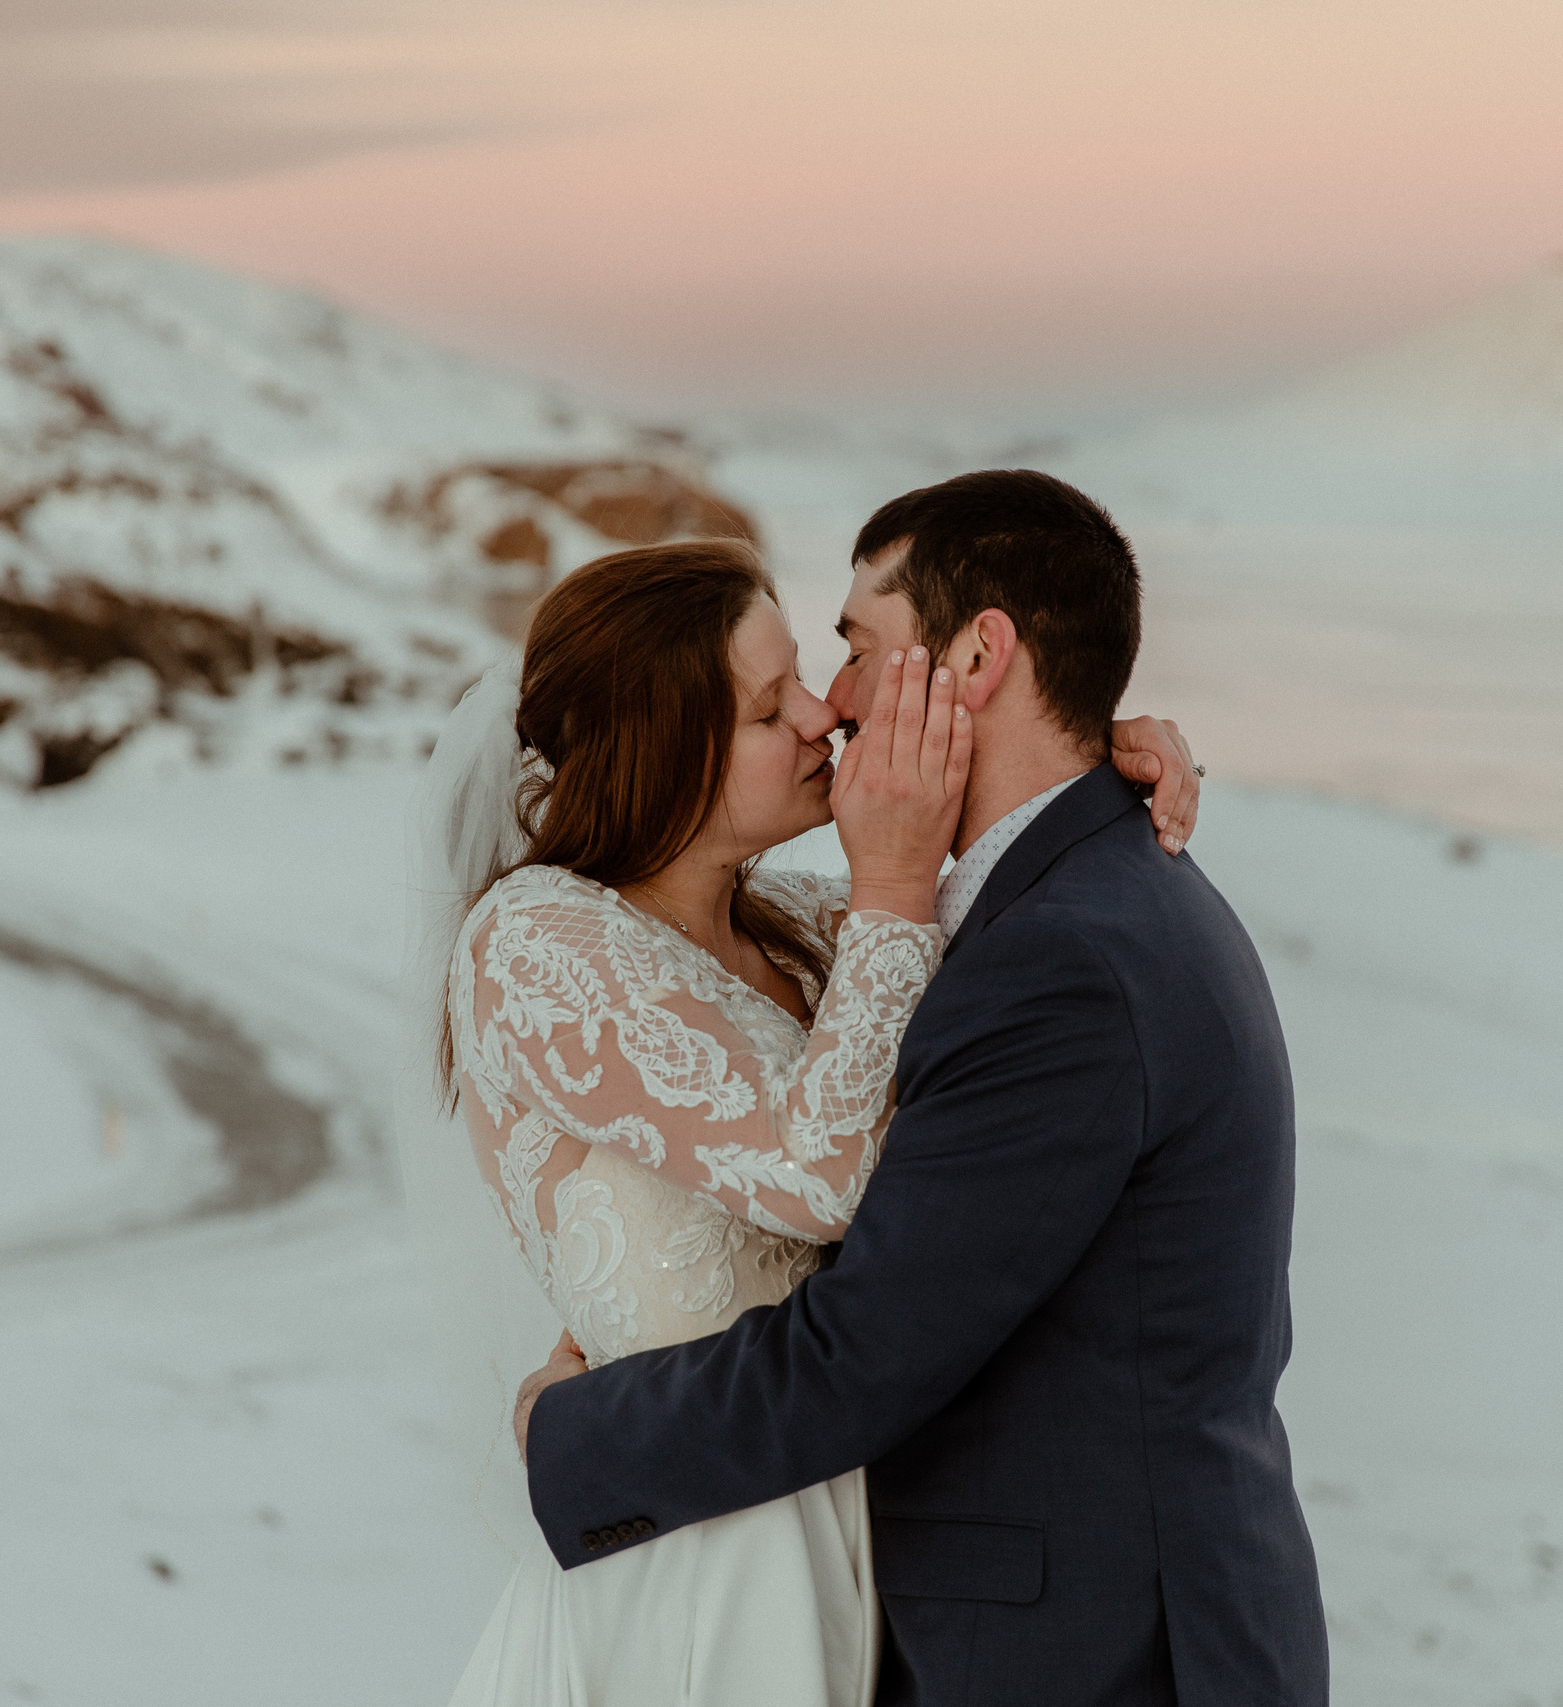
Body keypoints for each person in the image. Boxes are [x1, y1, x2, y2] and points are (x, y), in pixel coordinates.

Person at [509, 471, 1329, 1706]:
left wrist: (569, 1436)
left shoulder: (1064, 955)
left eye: (858, 647)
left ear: (978, 656)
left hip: (1096, 1660)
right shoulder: (1048, 902)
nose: (833, 707)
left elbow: (861, 1355)